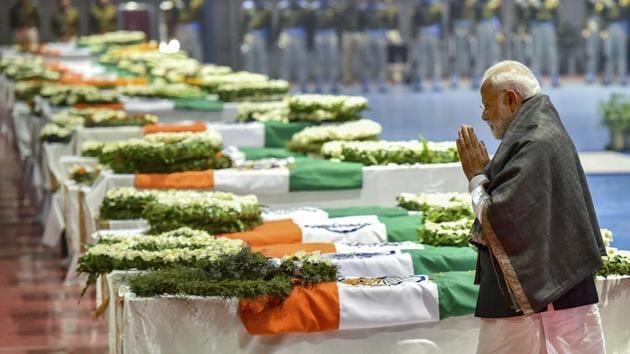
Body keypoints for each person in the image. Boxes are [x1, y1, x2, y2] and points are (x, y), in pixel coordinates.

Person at [456, 60, 606, 353]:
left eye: (486, 105)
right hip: (553, 292)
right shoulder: (538, 131)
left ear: (510, 99)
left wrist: (476, 178)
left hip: (544, 301)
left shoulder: (536, 140)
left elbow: (500, 216)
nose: (485, 115)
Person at [411, 0, 444, 92]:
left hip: (434, 34)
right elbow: (414, 21)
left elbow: (440, 21)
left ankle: (436, 81)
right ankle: (420, 80)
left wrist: (441, 35)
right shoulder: (418, 6)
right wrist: (414, 35)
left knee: (435, 58)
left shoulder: (437, 6)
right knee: (422, 58)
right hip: (422, 34)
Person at [527, 0, 561, 87]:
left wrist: (557, 28)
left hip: (548, 24)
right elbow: (528, 14)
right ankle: (536, 77)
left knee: (551, 53)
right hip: (536, 25)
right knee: (537, 52)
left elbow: (557, 14)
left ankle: (554, 76)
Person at [472, 0, 502, 88]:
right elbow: (476, 11)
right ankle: (477, 76)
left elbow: (499, 14)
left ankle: (495, 78)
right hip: (481, 24)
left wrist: (500, 30)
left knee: (494, 52)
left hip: (493, 25)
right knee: (481, 52)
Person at [313, 0, 341, 93]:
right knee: (319, 60)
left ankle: (333, 83)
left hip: (331, 33)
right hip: (319, 34)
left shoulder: (333, 7)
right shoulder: (315, 7)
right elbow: (311, 23)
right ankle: (319, 84)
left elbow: (338, 22)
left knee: (332, 60)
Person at [601, 0, 630, 85]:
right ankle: (608, 77)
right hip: (610, 28)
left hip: (622, 27)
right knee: (609, 55)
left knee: (622, 55)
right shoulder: (608, 3)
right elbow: (603, 15)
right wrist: (604, 29)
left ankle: (622, 77)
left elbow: (627, 13)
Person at [449, 0, 476, 88]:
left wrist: (472, 30)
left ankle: (473, 76)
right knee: (456, 53)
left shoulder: (471, 3)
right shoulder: (454, 3)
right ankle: (455, 76)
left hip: (468, 28)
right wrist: (451, 30)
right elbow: (451, 17)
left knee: (471, 53)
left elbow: (473, 15)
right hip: (457, 27)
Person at [241, 0, 272, 76]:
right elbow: (244, 23)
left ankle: (264, 80)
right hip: (250, 35)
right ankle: (249, 81)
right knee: (249, 60)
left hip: (262, 35)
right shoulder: (247, 5)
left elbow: (269, 24)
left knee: (262, 60)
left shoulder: (266, 6)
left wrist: (269, 39)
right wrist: (242, 37)